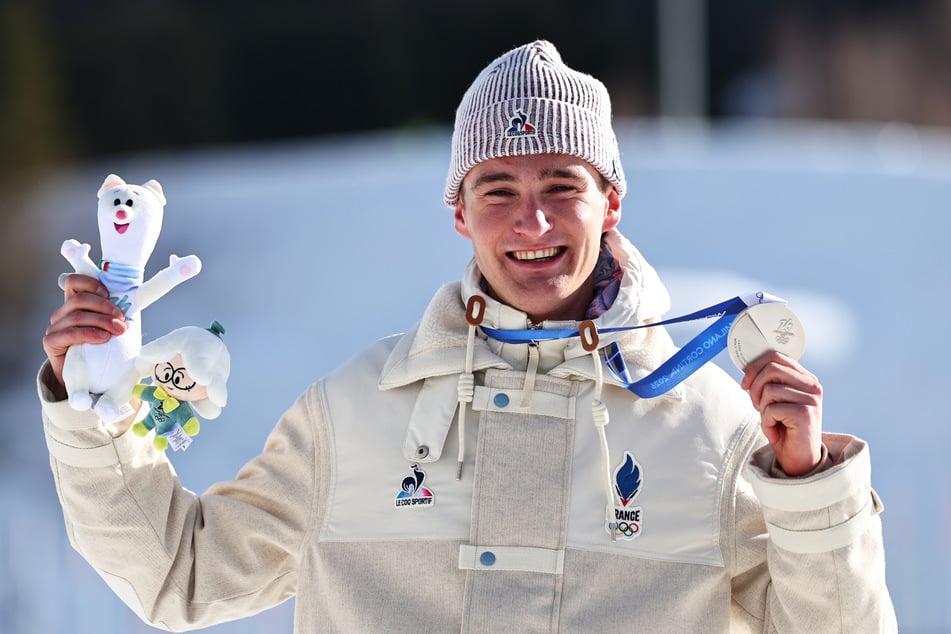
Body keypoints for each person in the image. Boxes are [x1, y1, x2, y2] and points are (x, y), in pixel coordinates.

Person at [39, 40, 896, 632]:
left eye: (562, 183)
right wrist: (91, 407)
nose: (532, 218)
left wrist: (807, 486)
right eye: (497, 189)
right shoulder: (356, 411)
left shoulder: (714, 428)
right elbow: (178, 576)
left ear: (611, 202)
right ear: (457, 211)